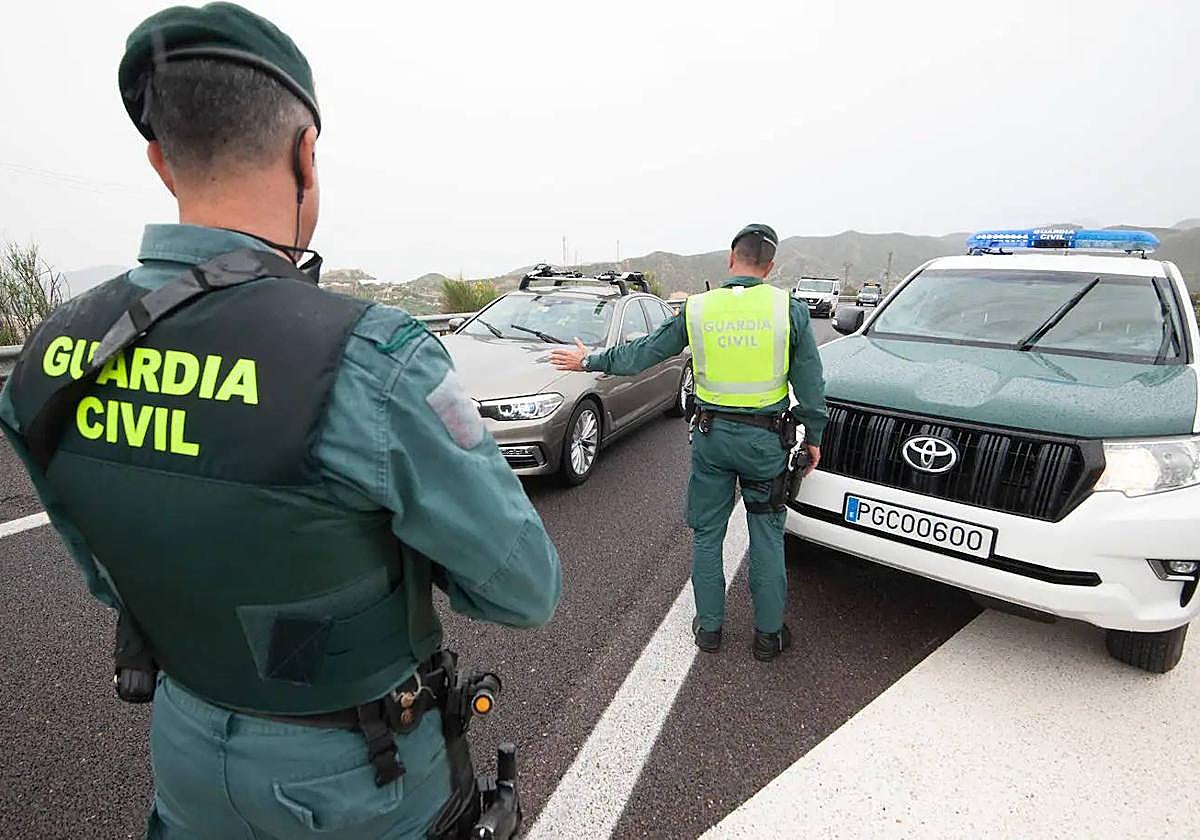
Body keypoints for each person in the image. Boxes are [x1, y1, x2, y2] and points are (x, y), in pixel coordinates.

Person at [0, 4, 560, 838]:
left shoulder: (47, 358)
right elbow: (525, 588)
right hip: (359, 776)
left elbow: (109, 575)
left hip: (185, 753)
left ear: (160, 161)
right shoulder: (373, 357)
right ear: (306, 154)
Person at [551, 224, 826, 661]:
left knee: (707, 533)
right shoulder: (787, 309)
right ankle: (768, 636)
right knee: (767, 535)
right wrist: (813, 436)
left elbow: (643, 353)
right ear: (770, 266)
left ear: (731, 259)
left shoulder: (698, 308)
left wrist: (588, 360)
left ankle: (709, 630)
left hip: (712, 438)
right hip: (766, 442)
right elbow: (810, 383)